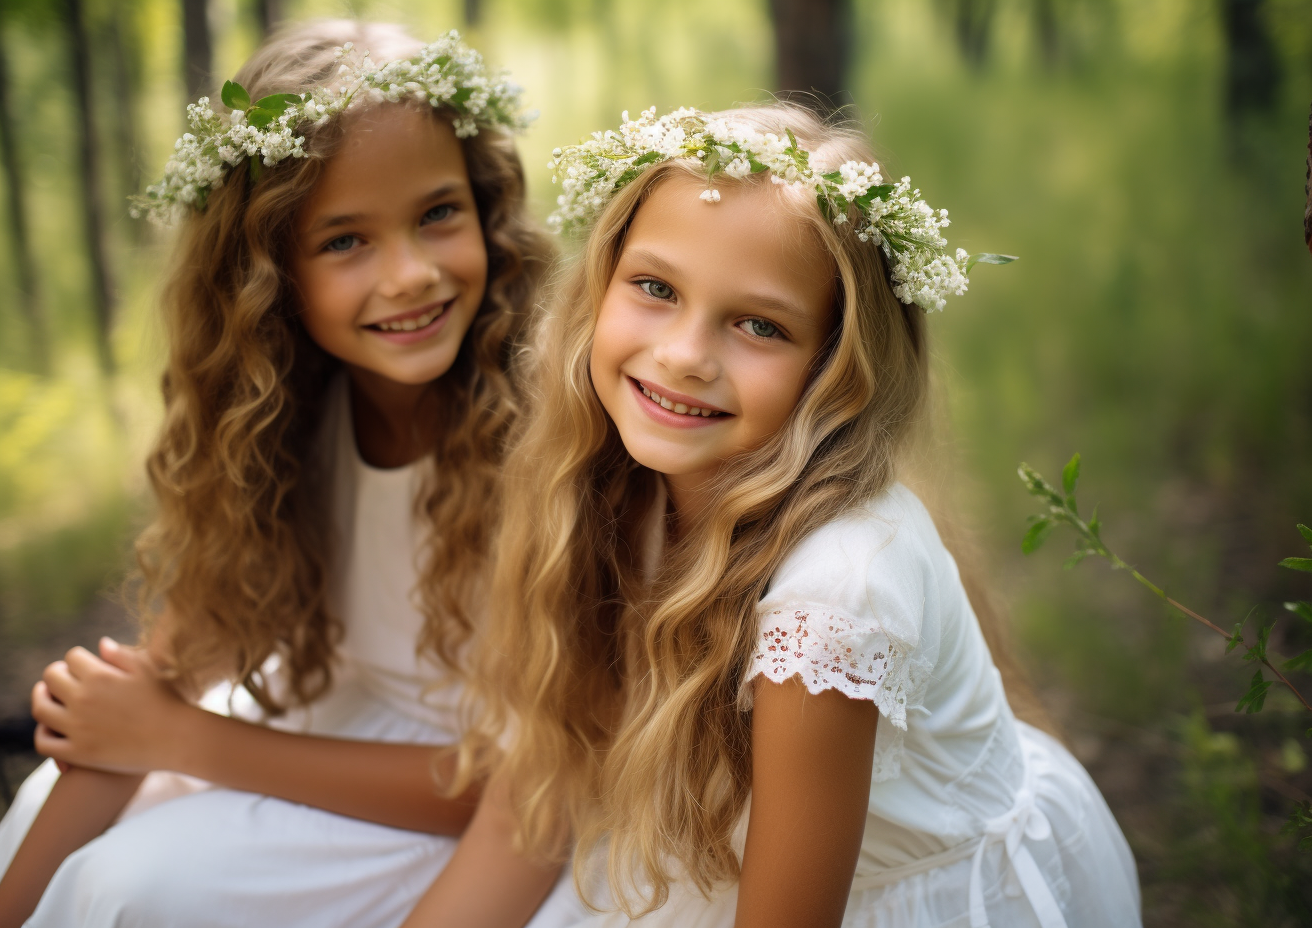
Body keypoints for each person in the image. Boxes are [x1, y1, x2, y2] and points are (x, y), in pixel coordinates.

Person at [406, 104, 1142, 928]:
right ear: (600, 285)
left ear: (836, 368)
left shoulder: (834, 597)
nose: (684, 355)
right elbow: (531, 810)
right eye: (655, 288)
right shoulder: (613, 488)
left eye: (760, 325)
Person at [0, 20, 579, 928]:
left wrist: (189, 739)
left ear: (488, 210)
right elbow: (155, 690)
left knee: (138, 888)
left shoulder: (552, 439)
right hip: (344, 733)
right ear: (270, 274)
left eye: (437, 213)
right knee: (45, 816)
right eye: (345, 241)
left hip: (502, 807)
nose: (410, 276)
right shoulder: (282, 425)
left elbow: (528, 789)